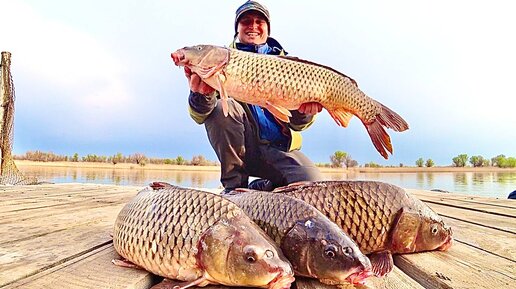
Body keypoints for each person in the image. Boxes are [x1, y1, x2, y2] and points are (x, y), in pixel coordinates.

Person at [184, 1, 323, 193]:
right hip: (241, 151)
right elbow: (200, 115)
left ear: (267, 29)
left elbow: (298, 125)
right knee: (221, 109)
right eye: (246, 21)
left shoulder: (289, 64)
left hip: (280, 149)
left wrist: (304, 113)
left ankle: (265, 187)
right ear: (237, 29)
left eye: (260, 21)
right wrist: (200, 96)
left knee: (311, 185)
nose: (253, 26)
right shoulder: (218, 59)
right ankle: (234, 189)